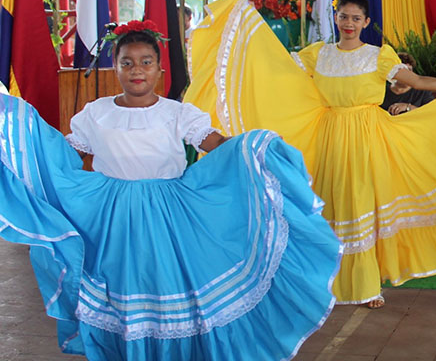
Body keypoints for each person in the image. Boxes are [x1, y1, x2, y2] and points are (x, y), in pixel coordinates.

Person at [0, 20, 341, 359]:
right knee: (121, 287)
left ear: (160, 69)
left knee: (167, 284)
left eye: (146, 62)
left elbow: (216, 144)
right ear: (115, 67)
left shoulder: (176, 112)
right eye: (127, 62)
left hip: (169, 213)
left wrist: (252, 147)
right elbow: (64, 156)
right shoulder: (96, 113)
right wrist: (25, 141)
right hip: (110, 215)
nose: (137, 70)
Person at [186, 0, 436, 310]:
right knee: (327, 203)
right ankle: (324, 284)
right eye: (343, 16)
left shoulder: (380, 57)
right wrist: (244, 25)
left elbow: (420, 81)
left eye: (356, 18)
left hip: (369, 136)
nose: (349, 23)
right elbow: (275, 70)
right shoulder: (317, 54)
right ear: (335, 17)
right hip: (326, 136)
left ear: (366, 22)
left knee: (361, 201)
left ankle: (366, 285)